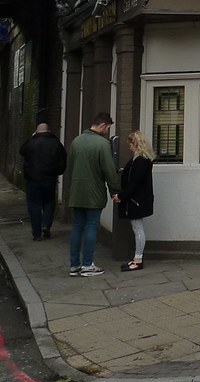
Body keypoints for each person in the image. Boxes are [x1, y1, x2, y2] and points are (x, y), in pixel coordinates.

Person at [65, 112, 120, 277]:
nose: (107, 131)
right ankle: (87, 265)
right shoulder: (102, 144)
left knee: (77, 227)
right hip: (94, 192)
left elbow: (70, 167)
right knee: (91, 227)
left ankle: (74, 265)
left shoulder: (76, 141)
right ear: (103, 125)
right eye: (108, 128)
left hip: (76, 192)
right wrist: (115, 191)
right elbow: (109, 170)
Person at [113, 130, 154, 271]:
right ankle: (137, 258)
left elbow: (134, 183)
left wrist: (121, 196)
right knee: (137, 228)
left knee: (137, 229)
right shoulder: (141, 160)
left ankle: (138, 259)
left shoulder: (140, 161)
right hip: (136, 200)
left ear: (136, 143)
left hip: (136, 200)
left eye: (130, 143)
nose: (129, 146)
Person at [19, 123, 67, 241]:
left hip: (33, 179)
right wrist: (58, 172)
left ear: (36, 131)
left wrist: (32, 137)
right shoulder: (55, 142)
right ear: (48, 131)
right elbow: (62, 159)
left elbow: (22, 151)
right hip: (49, 178)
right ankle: (46, 225)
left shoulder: (30, 143)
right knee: (49, 202)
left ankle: (37, 233)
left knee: (34, 205)